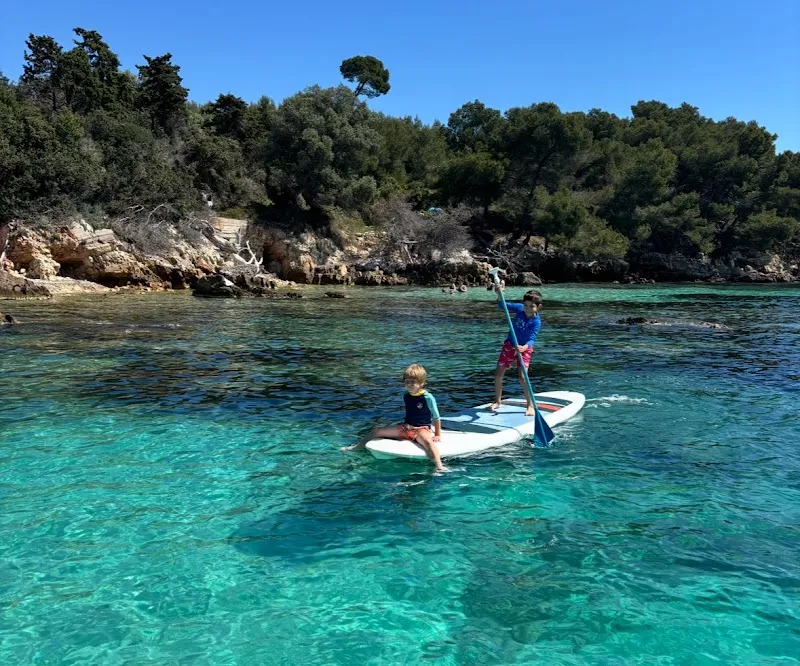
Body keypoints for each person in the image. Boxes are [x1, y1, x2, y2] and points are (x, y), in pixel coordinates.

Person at [342, 363, 448, 473]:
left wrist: (437, 434)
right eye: (407, 382)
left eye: (413, 382)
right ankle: (357, 447)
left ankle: (439, 466)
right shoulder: (406, 396)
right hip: (406, 428)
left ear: (421, 383)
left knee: (428, 442)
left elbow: (436, 417)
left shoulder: (428, 397)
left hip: (421, 429)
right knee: (377, 431)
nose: (409, 385)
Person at [491, 284, 542, 416]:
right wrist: (499, 293)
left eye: (532, 306)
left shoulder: (536, 322)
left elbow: (532, 338)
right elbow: (502, 305)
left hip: (525, 349)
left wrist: (525, 347)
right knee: (498, 374)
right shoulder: (519, 309)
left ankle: (530, 405)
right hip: (509, 345)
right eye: (526, 305)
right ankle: (497, 401)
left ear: (539, 307)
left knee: (522, 377)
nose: (528, 309)